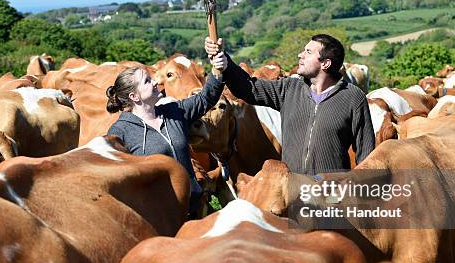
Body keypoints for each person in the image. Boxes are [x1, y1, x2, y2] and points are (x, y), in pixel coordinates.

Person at [206, 34, 374, 174]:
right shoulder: (289, 89)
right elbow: (249, 88)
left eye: (308, 52)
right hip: (292, 192)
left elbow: (366, 154)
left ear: (325, 63)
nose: (300, 55)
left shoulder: (353, 97)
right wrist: (224, 62)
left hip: (332, 194)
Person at [106, 64, 225, 217]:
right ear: (134, 97)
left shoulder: (174, 112)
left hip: (194, 208)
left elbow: (206, 98)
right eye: (147, 81)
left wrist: (218, 69)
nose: (156, 82)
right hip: (158, 217)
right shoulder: (120, 132)